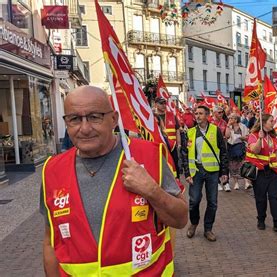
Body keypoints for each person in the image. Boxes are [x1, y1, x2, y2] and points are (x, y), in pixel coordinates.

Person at [41, 86, 187, 276]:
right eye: (75, 119)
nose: (84, 128)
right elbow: (51, 241)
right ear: (66, 122)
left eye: (95, 117)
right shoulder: (52, 170)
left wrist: (151, 190)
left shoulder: (149, 156)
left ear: (114, 119)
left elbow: (181, 219)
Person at [183, 105, 229, 242]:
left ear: (207, 115)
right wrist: (187, 173)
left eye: (200, 113)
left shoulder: (216, 131)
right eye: (196, 113)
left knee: (213, 202)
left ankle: (208, 229)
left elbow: (223, 151)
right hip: (196, 171)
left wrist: (224, 171)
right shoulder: (190, 132)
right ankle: (194, 223)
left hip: (212, 172)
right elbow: (185, 154)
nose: (197, 116)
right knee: (194, 201)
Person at [246, 114, 277, 232]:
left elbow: (275, 154)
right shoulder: (253, 136)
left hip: (272, 171)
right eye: (271, 121)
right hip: (260, 172)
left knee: (274, 197)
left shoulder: (273, 137)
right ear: (263, 123)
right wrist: (260, 139)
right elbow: (255, 150)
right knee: (261, 198)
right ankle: (261, 219)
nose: (273, 122)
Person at [154, 96, 181, 177]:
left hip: (172, 147)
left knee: (175, 165)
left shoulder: (171, 115)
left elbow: (177, 130)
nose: (163, 105)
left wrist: (179, 144)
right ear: (156, 105)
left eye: (164, 103)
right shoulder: (152, 116)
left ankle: (176, 180)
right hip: (159, 146)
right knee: (161, 166)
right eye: (161, 103)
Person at [225, 113, 251, 190]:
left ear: (236, 119)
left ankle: (247, 182)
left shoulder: (242, 126)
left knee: (243, 164)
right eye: (229, 118)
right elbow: (227, 136)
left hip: (241, 147)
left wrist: (243, 138)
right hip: (231, 148)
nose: (230, 120)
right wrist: (228, 126)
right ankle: (236, 183)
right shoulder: (229, 127)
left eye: (231, 118)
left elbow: (247, 137)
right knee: (233, 166)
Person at [210, 105, 230, 191]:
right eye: (219, 112)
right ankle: (217, 182)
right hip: (213, 147)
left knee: (225, 163)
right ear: (214, 113)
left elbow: (227, 136)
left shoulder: (224, 122)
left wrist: (228, 126)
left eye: (222, 112)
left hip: (223, 146)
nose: (221, 114)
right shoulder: (210, 122)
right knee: (216, 164)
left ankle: (226, 182)